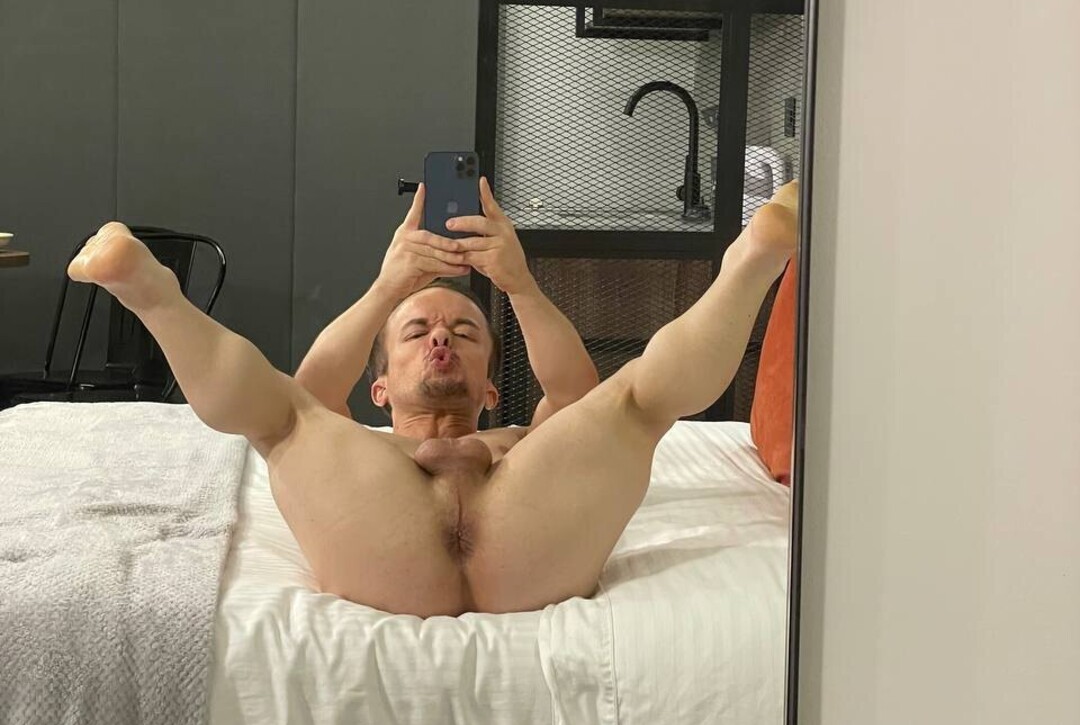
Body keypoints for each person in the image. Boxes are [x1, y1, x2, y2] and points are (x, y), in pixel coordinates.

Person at [67, 176, 799, 618]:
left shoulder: (519, 438)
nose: (441, 336)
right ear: (379, 387)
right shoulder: (355, 441)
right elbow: (314, 389)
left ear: (492, 387)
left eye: (464, 332)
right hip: (389, 528)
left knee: (630, 401)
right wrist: (389, 286)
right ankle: (150, 292)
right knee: (286, 415)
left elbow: (575, 396)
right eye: (416, 331)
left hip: (528, 529)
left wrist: (517, 283)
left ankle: (754, 260)